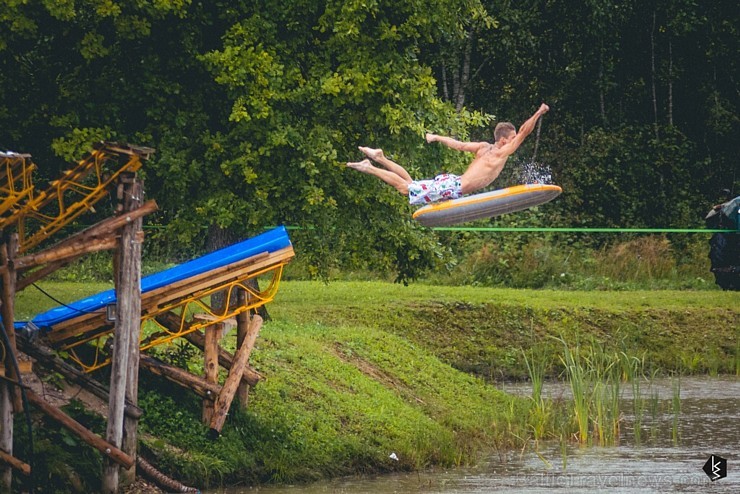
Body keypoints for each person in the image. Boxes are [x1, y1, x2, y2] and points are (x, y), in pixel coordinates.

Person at [347, 103, 550, 205]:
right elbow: (524, 132)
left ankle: (380, 158)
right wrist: (539, 113)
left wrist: (436, 137)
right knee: (405, 188)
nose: (515, 141)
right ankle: (370, 167)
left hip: (453, 182)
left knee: (410, 184)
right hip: (454, 187)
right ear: (504, 140)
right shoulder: (500, 153)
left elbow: (459, 145)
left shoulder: (483, 147)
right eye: (512, 138)